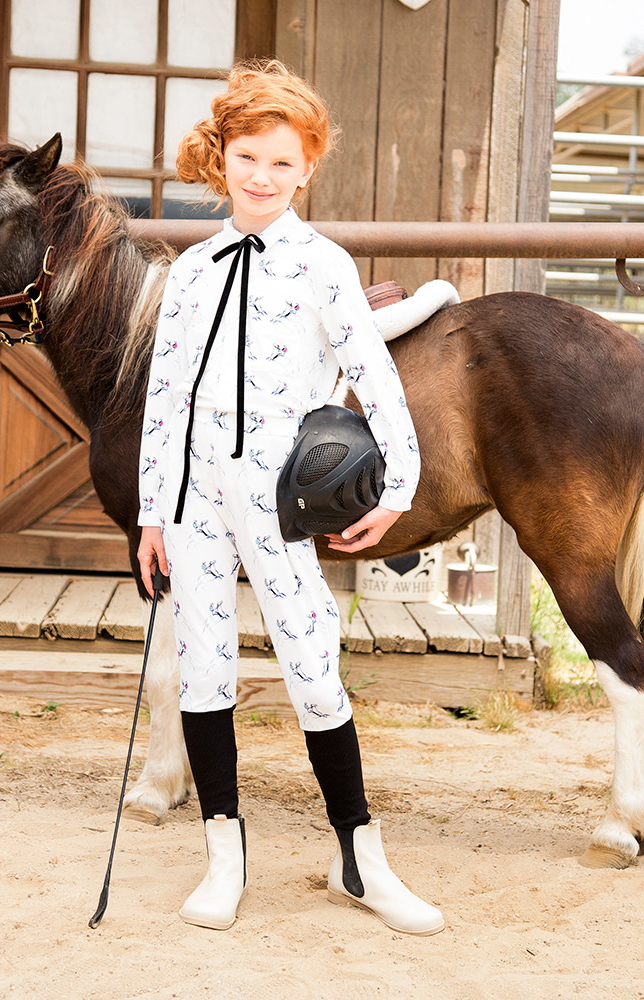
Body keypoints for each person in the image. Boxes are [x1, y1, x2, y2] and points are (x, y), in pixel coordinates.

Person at [135, 59, 440, 936]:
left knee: (311, 663)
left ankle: (359, 859)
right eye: (247, 157)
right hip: (193, 501)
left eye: (281, 162)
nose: (262, 177)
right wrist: (153, 511)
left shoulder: (322, 265)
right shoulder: (191, 271)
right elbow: (165, 398)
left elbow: (374, 376)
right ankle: (223, 854)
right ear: (221, 158)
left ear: (307, 168)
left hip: (278, 499)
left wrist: (401, 485)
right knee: (205, 670)